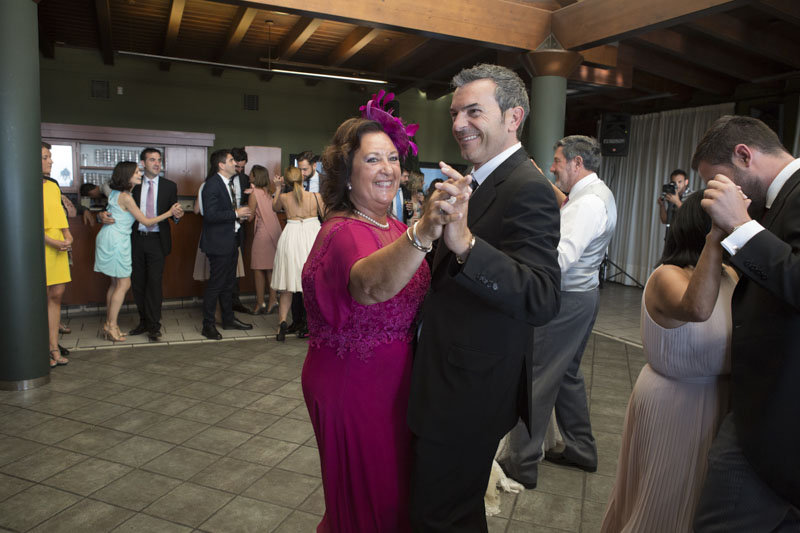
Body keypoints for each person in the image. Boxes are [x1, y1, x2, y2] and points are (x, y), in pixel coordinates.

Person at [407, 64, 561, 532]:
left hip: (470, 391)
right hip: (447, 377)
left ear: (513, 117)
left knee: (441, 516)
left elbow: (542, 297)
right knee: (451, 511)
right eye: (455, 113)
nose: (458, 124)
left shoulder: (528, 187)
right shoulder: (475, 181)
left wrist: (467, 246)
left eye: (474, 112)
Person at [301, 96, 460, 531]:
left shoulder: (393, 227)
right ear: (346, 174)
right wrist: (425, 231)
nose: (387, 168)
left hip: (396, 385)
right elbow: (372, 286)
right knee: (372, 501)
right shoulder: (343, 231)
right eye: (372, 159)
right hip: (354, 385)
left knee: (396, 496)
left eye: (392, 158)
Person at [600, 191, 735, 532]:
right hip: (675, 403)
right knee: (664, 500)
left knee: (698, 502)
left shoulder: (731, 276)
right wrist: (717, 238)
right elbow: (697, 309)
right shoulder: (667, 276)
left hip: (720, 401)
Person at [691, 115, 800, 531]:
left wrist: (741, 226)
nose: (716, 193)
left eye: (718, 180)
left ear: (743, 155)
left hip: (777, 416)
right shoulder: (779, 198)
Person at [502, 135, 617, 488]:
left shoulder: (588, 205)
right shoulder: (595, 194)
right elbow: (567, 204)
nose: (553, 167)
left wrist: (516, 265)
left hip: (566, 300)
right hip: (583, 296)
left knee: (537, 378)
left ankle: (521, 461)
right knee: (566, 375)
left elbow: (561, 257)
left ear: (576, 163)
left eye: (556, 161)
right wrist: (543, 182)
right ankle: (582, 448)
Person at [94, 162, 182, 342]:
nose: (139, 174)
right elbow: (146, 221)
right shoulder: (126, 197)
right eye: (136, 172)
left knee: (114, 284)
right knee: (124, 284)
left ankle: (110, 324)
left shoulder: (115, 193)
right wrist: (170, 213)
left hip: (110, 237)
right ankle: (111, 325)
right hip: (117, 241)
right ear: (127, 176)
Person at [129, 148, 183, 342]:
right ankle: (143, 321)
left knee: (154, 283)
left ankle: (153, 325)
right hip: (135, 239)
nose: (157, 163)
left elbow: (174, 213)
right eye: (152, 160)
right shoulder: (133, 185)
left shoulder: (169, 186)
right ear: (143, 163)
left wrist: (177, 216)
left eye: (159, 160)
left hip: (157, 240)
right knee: (138, 283)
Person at [199, 150, 253, 340]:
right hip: (218, 242)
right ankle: (208, 325)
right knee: (216, 284)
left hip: (231, 239)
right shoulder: (212, 185)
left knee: (229, 284)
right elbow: (210, 215)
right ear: (221, 165)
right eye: (231, 161)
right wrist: (236, 213)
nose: (235, 163)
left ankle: (228, 319)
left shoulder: (227, 183)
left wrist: (238, 217)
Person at [271, 167, 322, 341]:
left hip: (291, 235)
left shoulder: (284, 197)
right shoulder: (316, 197)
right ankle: (309, 324)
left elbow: (274, 207)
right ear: (302, 178)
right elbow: (327, 215)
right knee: (310, 284)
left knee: (287, 284)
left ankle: (282, 324)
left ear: (287, 181)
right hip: (311, 235)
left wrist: (278, 188)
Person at [42, 142, 72, 367]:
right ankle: (40, 348)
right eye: (45, 157)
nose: (50, 161)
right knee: (40, 297)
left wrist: (67, 235)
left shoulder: (52, 186)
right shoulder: (22, 183)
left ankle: (53, 346)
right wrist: (50, 241)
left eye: (50, 157)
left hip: (59, 244)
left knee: (57, 294)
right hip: (40, 245)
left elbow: (60, 215)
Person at [247, 164, 282, 314]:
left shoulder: (254, 193)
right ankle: (273, 300)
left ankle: (260, 302)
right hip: (275, 232)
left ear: (255, 176)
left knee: (257, 268)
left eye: (251, 173)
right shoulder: (269, 192)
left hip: (263, 233)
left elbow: (250, 217)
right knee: (270, 268)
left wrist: (238, 212)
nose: (249, 175)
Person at [230, 147, 252, 315]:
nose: (238, 170)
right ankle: (223, 303)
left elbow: (246, 201)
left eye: (242, 167)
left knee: (238, 264)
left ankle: (235, 301)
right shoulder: (219, 179)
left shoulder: (244, 179)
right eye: (236, 166)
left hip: (240, 227)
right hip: (223, 226)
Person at [657, 169, 691, 236]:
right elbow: (665, 220)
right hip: (673, 235)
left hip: (686, 236)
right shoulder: (672, 196)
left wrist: (676, 201)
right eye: (674, 182)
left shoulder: (693, 195)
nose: (677, 185)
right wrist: (662, 205)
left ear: (686, 182)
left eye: (680, 182)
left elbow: (691, 217)